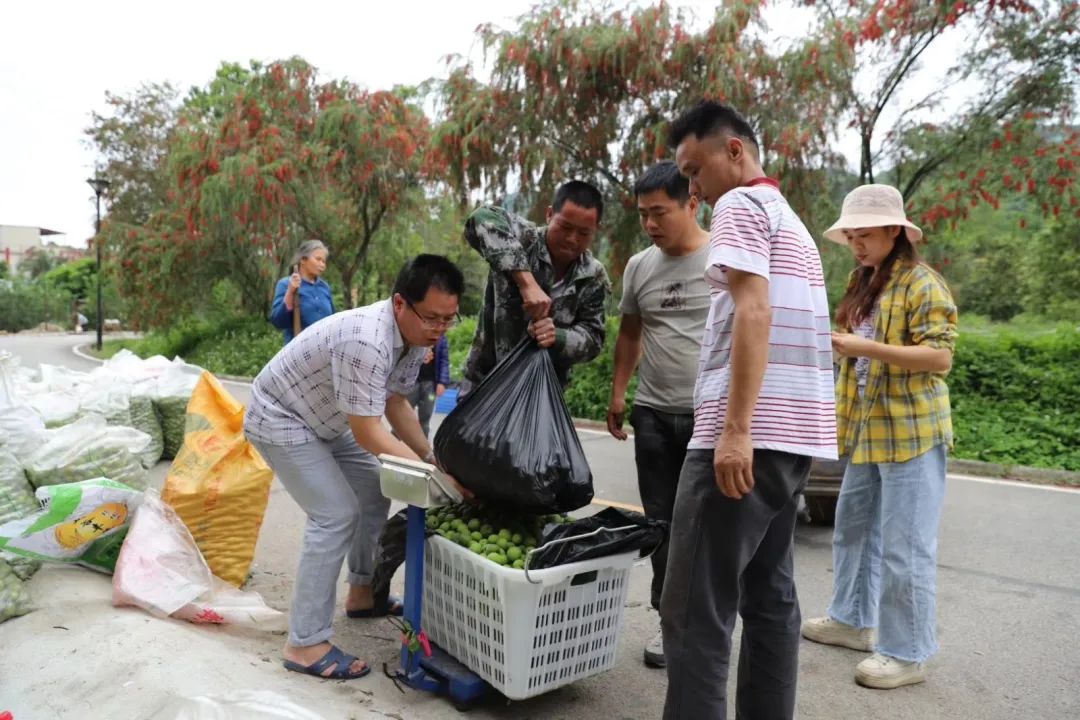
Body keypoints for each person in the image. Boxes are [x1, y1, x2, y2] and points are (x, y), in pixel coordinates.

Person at [661, 101, 838, 720]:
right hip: (792, 439)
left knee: (693, 607)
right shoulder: (790, 219)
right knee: (769, 596)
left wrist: (735, 430)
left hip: (746, 439)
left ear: (733, 150)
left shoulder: (739, 204)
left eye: (694, 171)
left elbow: (754, 310)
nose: (694, 191)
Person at [243, 254, 469, 681]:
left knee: (375, 488)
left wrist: (430, 458)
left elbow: (395, 402)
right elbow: (369, 434)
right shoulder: (368, 339)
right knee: (335, 514)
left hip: (329, 417)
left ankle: (362, 593)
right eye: (431, 318)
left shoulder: (415, 337)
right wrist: (439, 479)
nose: (439, 329)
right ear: (400, 303)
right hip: (281, 416)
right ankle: (305, 643)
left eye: (448, 320)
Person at [801, 184, 957, 690]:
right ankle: (851, 621)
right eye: (851, 237)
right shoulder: (862, 280)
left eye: (864, 235)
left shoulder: (923, 284)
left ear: (894, 230)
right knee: (853, 529)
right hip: (868, 429)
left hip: (912, 432)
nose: (856, 245)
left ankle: (907, 653)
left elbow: (940, 357)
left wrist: (864, 347)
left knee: (905, 546)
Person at [606, 161, 710, 669]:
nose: (650, 224)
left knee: (705, 526)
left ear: (692, 202)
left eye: (660, 212)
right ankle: (669, 622)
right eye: (643, 214)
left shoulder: (724, 257)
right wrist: (619, 393)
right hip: (652, 414)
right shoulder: (639, 266)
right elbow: (630, 333)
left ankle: (707, 622)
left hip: (708, 415)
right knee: (661, 524)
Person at [462, 180, 609, 390]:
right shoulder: (523, 239)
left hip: (543, 392)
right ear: (549, 214)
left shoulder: (593, 275)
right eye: (565, 227)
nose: (572, 239)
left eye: (584, 233)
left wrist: (557, 336)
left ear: (596, 229)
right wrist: (527, 283)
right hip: (486, 381)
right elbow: (481, 217)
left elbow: (594, 340)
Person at [270, 240, 334, 344]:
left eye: (324, 261)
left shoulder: (324, 287)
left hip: (324, 349)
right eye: (318, 259)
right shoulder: (286, 284)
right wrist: (290, 292)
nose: (322, 264)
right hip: (298, 349)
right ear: (303, 259)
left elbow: (332, 320)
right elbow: (278, 322)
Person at [407, 334, 450, 438]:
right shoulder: (413, 333)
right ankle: (393, 442)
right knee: (403, 415)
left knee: (426, 416)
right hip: (411, 382)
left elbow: (444, 360)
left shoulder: (441, 338)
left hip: (430, 384)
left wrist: (442, 382)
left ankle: (422, 443)